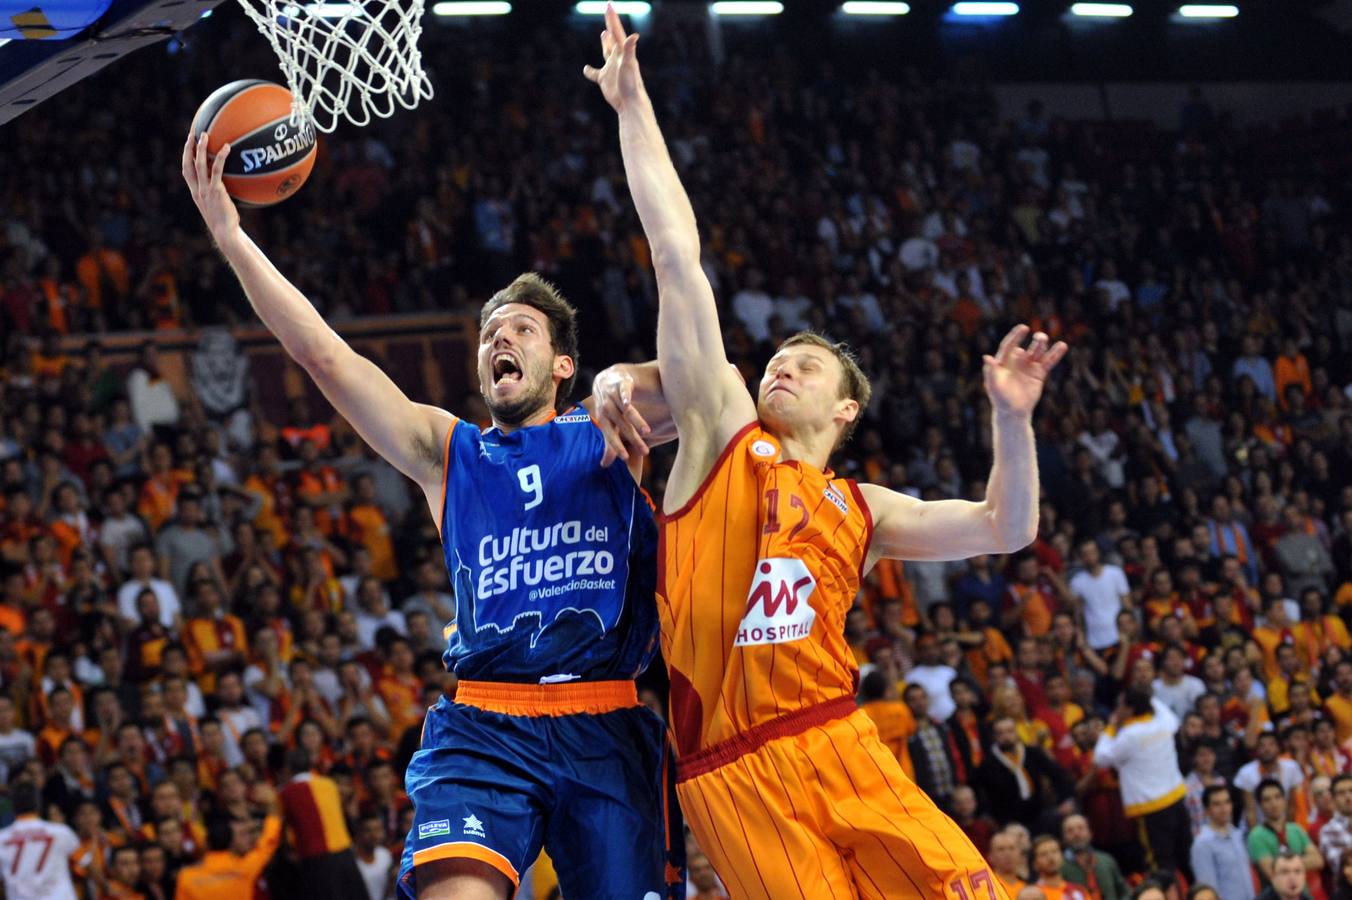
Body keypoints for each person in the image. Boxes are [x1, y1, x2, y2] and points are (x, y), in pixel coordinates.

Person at [584, 8, 1064, 896]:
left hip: (839, 738)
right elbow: (677, 258)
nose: (781, 368)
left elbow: (1007, 525)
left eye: (803, 365)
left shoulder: (864, 507)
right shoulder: (719, 437)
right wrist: (631, 107)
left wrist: (1011, 419)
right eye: (776, 360)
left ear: (846, 407)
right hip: (733, 768)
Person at [183, 93, 679, 900]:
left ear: (562, 365)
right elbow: (326, 358)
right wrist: (233, 240)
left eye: (520, 328)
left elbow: (717, 383)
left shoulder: (611, 426)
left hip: (607, 720)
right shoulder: (448, 451)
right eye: (489, 332)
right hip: (486, 725)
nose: (499, 339)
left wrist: (628, 377)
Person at [1092, 686, 1191, 893]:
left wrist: (1110, 727)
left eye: (1120, 705)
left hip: (1151, 809)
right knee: (1184, 858)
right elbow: (1172, 719)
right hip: (1177, 801)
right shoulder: (1163, 723)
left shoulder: (1129, 735)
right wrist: (1149, 698)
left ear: (1128, 709)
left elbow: (1101, 758)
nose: (1117, 709)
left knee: (1161, 867)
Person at [277, 748, 366, 899]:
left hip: (316, 861)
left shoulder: (285, 794)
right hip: (345, 856)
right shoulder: (329, 784)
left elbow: (282, 829)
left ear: (288, 768)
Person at [174, 786, 284, 900]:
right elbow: (268, 842)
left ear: (207, 842)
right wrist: (271, 806)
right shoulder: (245, 868)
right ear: (231, 842)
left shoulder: (186, 876)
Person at [0, 781, 81, 900]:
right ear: (39, 803)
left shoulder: (2, 838)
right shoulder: (60, 831)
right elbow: (85, 862)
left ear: (13, 806)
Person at [1248, 779, 1324, 886]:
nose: (1274, 803)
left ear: (1285, 800)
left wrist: (1284, 867)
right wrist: (1301, 863)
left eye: (1277, 797)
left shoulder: (1296, 829)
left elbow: (1318, 860)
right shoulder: (1256, 835)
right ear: (1260, 805)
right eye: (1267, 800)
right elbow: (1271, 872)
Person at [1191, 784, 1257, 900]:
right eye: (1217, 804)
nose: (1224, 808)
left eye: (1227, 802)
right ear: (1207, 810)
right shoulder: (1202, 844)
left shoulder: (1237, 835)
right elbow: (1208, 890)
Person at [1060, 814, 1129, 900]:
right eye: (1070, 831)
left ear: (1090, 833)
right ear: (1064, 838)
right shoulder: (1059, 867)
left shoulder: (1106, 860)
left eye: (1081, 828)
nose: (1076, 833)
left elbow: (1125, 892)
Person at [1031, 835, 1090, 900]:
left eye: (1054, 851)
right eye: (1043, 854)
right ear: (1035, 864)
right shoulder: (1033, 895)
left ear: (1062, 856)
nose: (1051, 857)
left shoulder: (1080, 891)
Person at [1322, 774, 1352, 874]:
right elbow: (1339, 865)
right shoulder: (1328, 830)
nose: (1348, 796)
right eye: (1341, 793)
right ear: (1333, 799)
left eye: (1351, 790)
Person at [989, 829, 1028, 896]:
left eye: (1012, 848)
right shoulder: (987, 887)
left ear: (1020, 854)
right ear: (991, 856)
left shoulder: (1029, 887)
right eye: (1001, 849)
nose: (1007, 854)